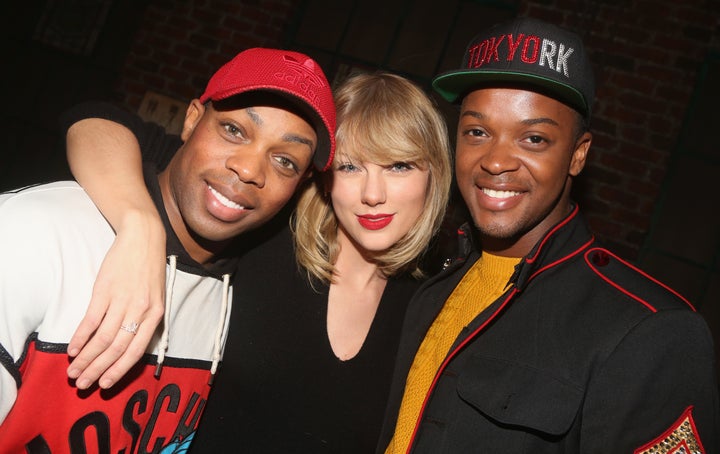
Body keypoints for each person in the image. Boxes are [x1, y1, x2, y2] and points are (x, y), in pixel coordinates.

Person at [378, 16, 719, 453]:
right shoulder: (432, 282)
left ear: (578, 155)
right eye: (477, 132)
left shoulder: (650, 331)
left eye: (534, 138)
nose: (496, 161)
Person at [59, 72, 453, 451]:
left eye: (398, 166)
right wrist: (140, 226)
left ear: (434, 175)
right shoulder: (264, 231)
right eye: (350, 166)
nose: (372, 194)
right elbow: (97, 121)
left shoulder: (434, 299)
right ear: (322, 175)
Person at [0, 47, 336, 452]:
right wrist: (140, 226)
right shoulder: (39, 232)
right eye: (234, 131)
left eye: (284, 160)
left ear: (298, 187)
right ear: (192, 119)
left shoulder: (251, 296)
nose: (249, 169)